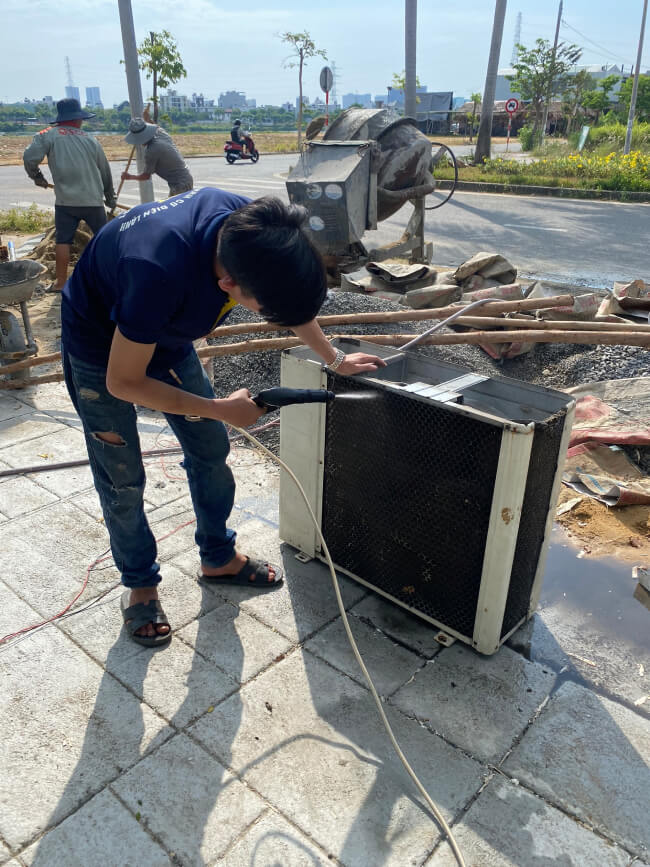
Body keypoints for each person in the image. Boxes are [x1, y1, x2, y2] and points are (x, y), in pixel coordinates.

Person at [60, 187, 384, 647]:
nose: (265, 313)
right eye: (259, 308)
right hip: (102, 349)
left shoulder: (255, 226)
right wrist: (219, 408)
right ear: (228, 285)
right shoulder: (156, 270)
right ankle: (141, 585)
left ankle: (218, 557)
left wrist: (333, 359)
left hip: (166, 334)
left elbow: (287, 300)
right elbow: (124, 382)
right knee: (122, 477)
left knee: (211, 447)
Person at [23, 98, 116, 293]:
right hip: (93, 200)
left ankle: (61, 283)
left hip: (66, 201)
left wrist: (37, 177)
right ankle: (113, 279)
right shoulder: (91, 139)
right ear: (78, 119)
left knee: (63, 241)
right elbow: (105, 170)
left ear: (61, 119)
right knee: (104, 239)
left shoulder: (47, 135)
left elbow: (29, 157)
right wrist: (110, 196)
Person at [121, 118, 193, 197]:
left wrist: (129, 176)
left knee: (176, 208)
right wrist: (147, 117)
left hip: (181, 185)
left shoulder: (152, 151)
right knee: (168, 207)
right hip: (184, 179)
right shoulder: (160, 133)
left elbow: (146, 176)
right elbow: (156, 125)